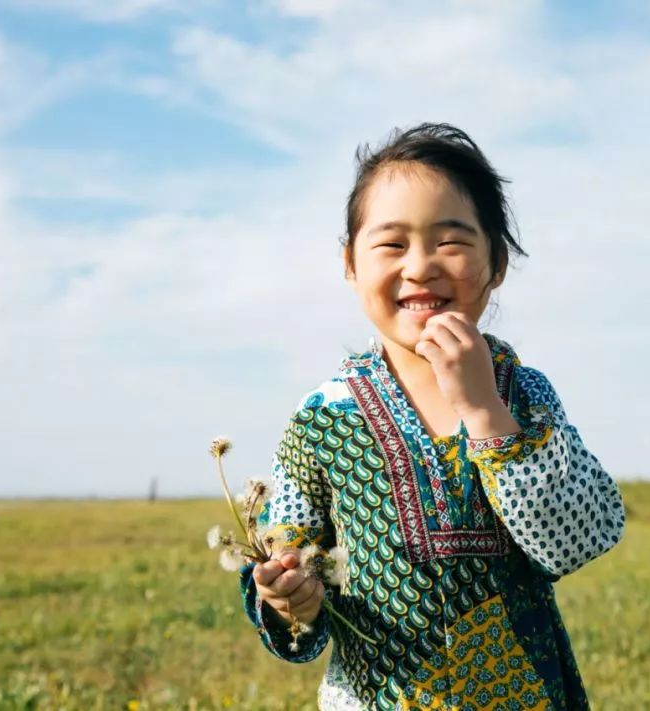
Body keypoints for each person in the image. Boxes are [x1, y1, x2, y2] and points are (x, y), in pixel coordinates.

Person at [238, 122, 626, 710]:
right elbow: (285, 549)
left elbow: (577, 539)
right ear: (351, 263)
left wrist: (484, 409)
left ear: (496, 262)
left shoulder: (523, 394)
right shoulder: (324, 417)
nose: (420, 267)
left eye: (451, 241)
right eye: (392, 244)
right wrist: (288, 595)